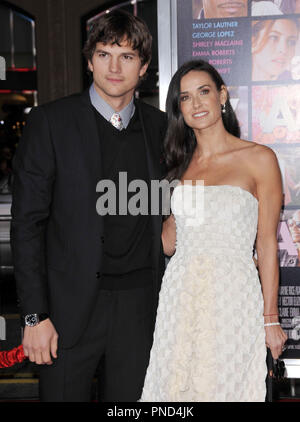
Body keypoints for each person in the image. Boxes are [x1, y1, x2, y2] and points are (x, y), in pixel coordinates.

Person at [10, 10, 167, 402]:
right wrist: (34, 316)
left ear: (143, 67)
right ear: (88, 61)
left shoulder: (162, 128)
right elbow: (26, 224)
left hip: (139, 308)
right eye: (103, 54)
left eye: (127, 56)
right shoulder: (50, 122)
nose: (114, 67)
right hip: (65, 310)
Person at [140, 59, 287, 402]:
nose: (197, 104)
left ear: (222, 95)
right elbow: (168, 243)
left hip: (233, 297)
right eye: (186, 98)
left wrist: (270, 318)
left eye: (204, 92)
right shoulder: (177, 167)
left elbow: (266, 244)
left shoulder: (259, 158)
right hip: (181, 297)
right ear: (179, 110)